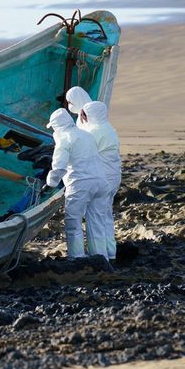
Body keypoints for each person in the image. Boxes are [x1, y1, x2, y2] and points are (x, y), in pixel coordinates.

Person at [45, 109, 109, 258]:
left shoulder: (64, 139)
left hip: (80, 184)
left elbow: (59, 167)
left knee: (73, 224)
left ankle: (77, 257)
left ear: (58, 126)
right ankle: (101, 257)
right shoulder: (87, 135)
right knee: (96, 222)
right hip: (100, 182)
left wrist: (50, 184)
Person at [77, 101, 121, 260]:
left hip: (101, 181)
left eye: (84, 115)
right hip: (113, 179)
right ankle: (110, 252)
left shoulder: (93, 133)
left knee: (94, 218)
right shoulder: (109, 129)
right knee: (106, 217)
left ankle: (99, 257)